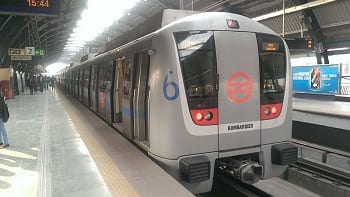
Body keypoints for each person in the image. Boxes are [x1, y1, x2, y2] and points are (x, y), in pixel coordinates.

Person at [0, 84, 9, 148]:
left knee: (2, 128)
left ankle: (6, 142)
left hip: (0, 114)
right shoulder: (1, 94)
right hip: (1, 114)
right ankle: (1, 141)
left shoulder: (0, 96)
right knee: (1, 128)